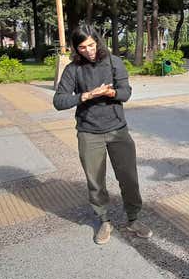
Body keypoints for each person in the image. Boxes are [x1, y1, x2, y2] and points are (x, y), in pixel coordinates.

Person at [53, 25, 152, 245]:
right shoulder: (73, 69)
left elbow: (126, 93)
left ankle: (134, 219)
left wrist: (111, 92)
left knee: (128, 178)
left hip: (118, 130)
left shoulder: (114, 62)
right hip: (89, 132)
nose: (88, 51)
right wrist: (86, 95)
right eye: (82, 47)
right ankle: (104, 220)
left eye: (91, 45)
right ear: (76, 48)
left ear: (97, 41)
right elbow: (59, 101)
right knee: (95, 181)